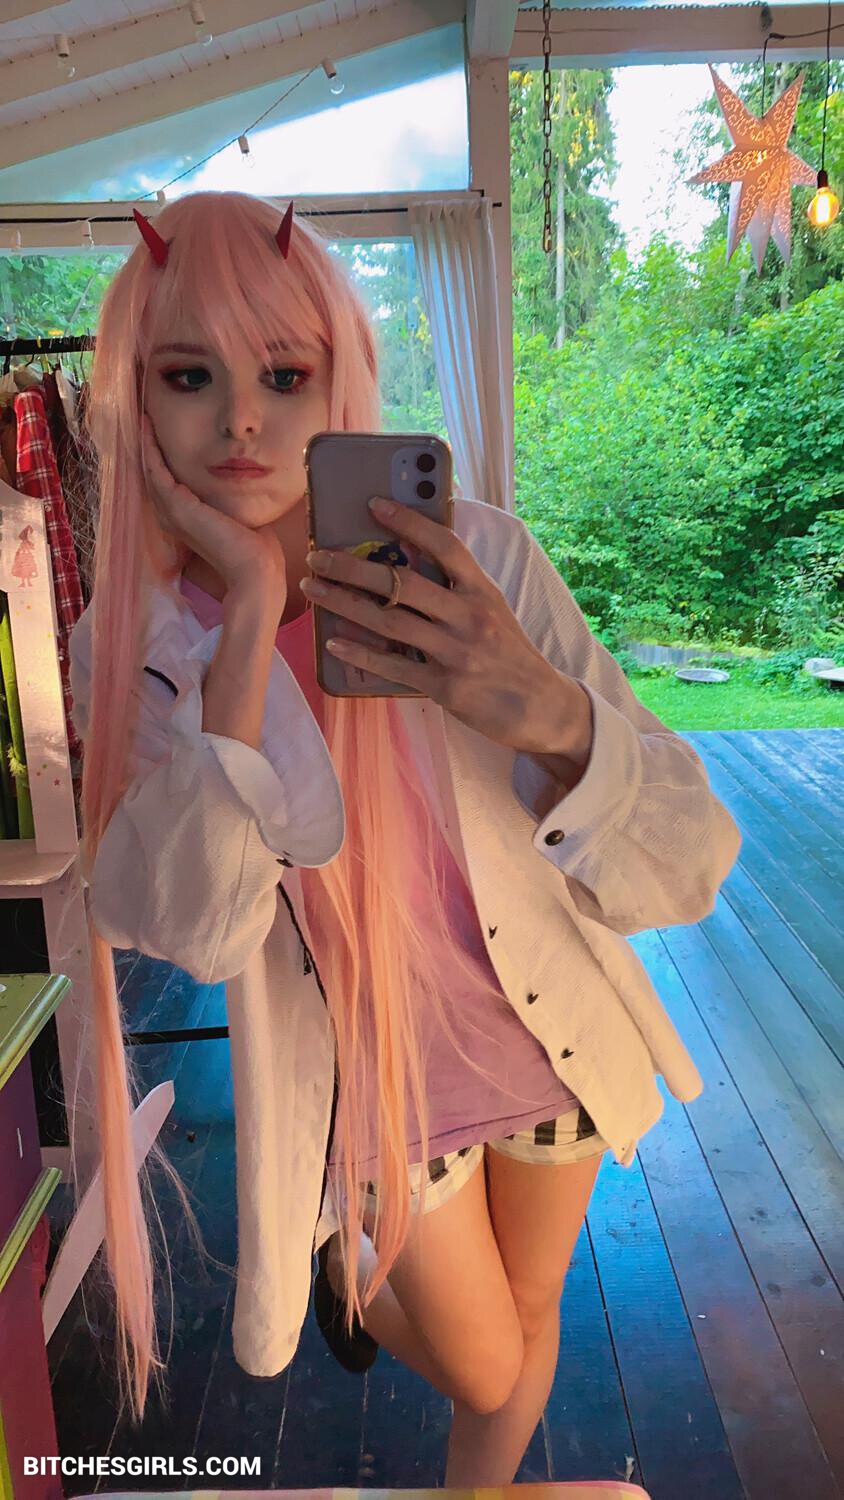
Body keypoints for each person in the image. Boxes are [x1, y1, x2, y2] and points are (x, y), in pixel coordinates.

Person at [67, 189, 741, 1483]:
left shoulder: (476, 559)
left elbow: (694, 854)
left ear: (342, 377)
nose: (243, 419)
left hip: (546, 1017)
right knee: (487, 1365)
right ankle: (360, 1281)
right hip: (375, 1075)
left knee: (529, 1321)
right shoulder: (140, 644)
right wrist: (248, 614)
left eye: (283, 372)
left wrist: (546, 711)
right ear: (134, 396)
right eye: (190, 375)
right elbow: (196, 930)